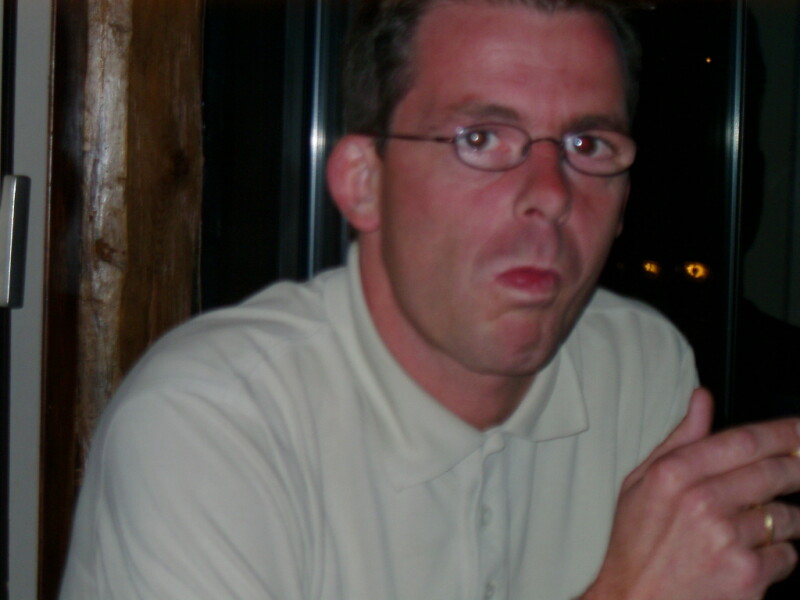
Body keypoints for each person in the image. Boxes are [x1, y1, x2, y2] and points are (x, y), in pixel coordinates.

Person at [59, 1, 800, 599]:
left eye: (588, 146)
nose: (550, 194)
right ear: (364, 183)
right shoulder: (209, 426)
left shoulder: (643, 369)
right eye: (481, 137)